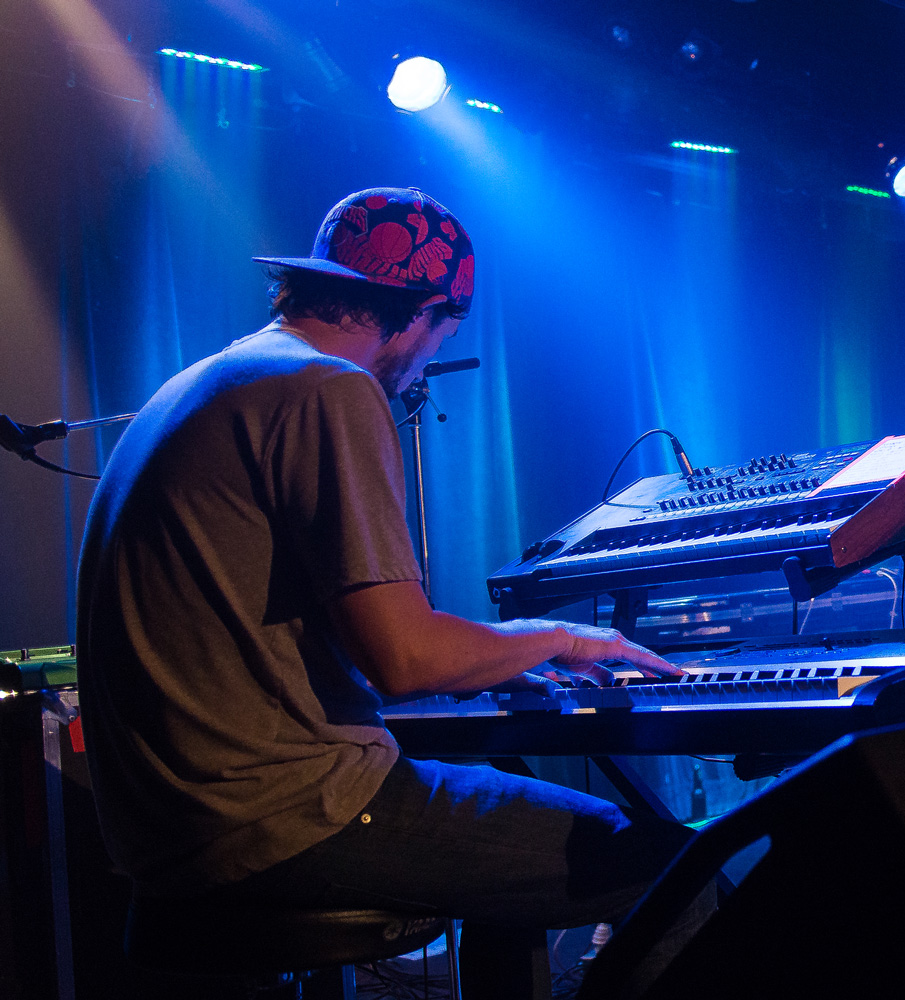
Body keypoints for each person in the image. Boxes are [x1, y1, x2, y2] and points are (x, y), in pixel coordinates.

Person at [76, 188, 701, 933]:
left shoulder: (207, 382)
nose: (427, 361)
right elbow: (403, 661)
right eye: (444, 333)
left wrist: (493, 659)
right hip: (280, 814)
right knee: (669, 867)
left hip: (166, 829)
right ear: (425, 310)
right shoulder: (329, 387)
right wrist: (562, 639)